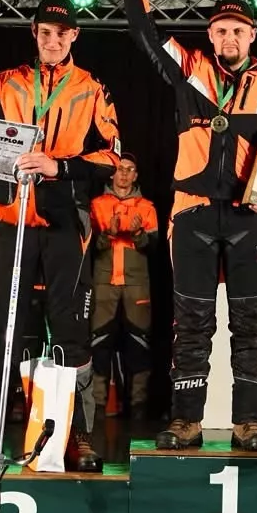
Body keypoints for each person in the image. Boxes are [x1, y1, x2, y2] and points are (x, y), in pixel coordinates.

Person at [115, 0, 257, 452]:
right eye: (220, 30)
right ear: (210, 35)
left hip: (248, 218)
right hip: (192, 214)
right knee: (192, 324)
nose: (229, 37)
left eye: (238, 30)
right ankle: (186, 421)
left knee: (250, 325)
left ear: (252, 35)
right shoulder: (190, 69)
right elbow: (144, 30)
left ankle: (249, 423)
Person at [0, 0, 122, 470]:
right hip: (12, 216)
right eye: (44, 32)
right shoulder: (8, 82)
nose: (52, 41)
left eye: (61, 34)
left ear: (74, 36)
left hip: (65, 219)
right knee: (1, 328)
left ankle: (79, 433)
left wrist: (59, 166)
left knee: (71, 328)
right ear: (34, 33)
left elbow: (113, 155)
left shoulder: (91, 87)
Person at [88, 153, 159, 417]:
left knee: (139, 343)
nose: (124, 174)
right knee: (99, 343)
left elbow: (154, 249)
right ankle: (97, 405)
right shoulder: (96, 205)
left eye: (130, 169)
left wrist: (138, 234)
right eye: (120, 169)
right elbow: (88, 249)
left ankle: (138, 407)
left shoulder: (147, 207)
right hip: (103, 284)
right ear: (112, 173)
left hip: (136, 285)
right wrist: (108, 234)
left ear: (136, 175)